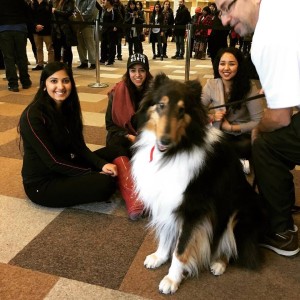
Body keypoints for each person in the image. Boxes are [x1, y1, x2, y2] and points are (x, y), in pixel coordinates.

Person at [215, 0, 300, 256]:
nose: (224, 20)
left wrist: (258, 128)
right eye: (219, 12)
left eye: (226, 7)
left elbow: (280, 118)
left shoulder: (267, 37)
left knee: (265, 145)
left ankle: (282, 232)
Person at [18, 62, 117, 209]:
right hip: (43, 183)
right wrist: (91, 172)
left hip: (67, 166)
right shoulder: (33, 116)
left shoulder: (67, 107)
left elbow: (80, 147)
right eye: (54, 81)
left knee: (116, 149)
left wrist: (101, 164)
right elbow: (53, 162)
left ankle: (125, 180)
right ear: (44, 85)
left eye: (65, 80)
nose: (61, 87)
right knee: (105, 184)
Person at [201, 47, 264, 174]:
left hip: (241, 135)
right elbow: (196, 109)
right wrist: (211, 117)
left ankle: (229, 164)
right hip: (218, 132)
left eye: (232, 64)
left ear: (239, 66)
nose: (226, 68)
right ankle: (235, 164)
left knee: (232, 148)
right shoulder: (211, 85)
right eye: (222, 63)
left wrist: (231, 128)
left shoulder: (249, 88)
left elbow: (259, 121)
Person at [105, 53, 153, 218]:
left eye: (142, 70)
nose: (137, 75)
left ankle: (152, 196)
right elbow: (110, 125)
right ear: (128, 72)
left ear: (147, 72)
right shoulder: (117, 91)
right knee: (118, 147)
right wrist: (130, 136)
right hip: (123, 138)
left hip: (147, 137)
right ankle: (134, 199)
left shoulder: (155, 92)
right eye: (133, 70)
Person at [0, 0, 32, 92]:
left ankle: (13, 84)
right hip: (20, 29)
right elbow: (28, 13)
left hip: (3, 30)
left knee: (8, 58)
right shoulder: (21, 1)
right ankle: (25, 82)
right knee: (21, 56)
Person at [51, 0, 77, 68]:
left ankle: (68, 66)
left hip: (65, 28)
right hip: (56, 28)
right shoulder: (54, 2)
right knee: (56, 49)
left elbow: (68, 13)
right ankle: (57, 67)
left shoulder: (69, 1)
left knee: (67, 49)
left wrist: (55, 11)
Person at [31, 0, 55, 71]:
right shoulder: (33, 3)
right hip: (36, 30)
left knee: (50, 48)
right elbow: (31, 17)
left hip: (47, 29)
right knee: (38, 48)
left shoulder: (48, 3)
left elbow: (50, 17)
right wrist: (36, 26)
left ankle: (50, 64)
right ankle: (40, 64)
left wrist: (42, 26)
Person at [75, 0, 98, 70]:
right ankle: (83, 61)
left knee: (90, 44)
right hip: (78, 24)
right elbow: (75, 10)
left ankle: (93, 62)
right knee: (80, 44)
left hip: (88, 24)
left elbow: (90, 12)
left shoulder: (92, 1)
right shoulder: (77, 1)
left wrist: (80, 17)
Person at [100, 0, 123, 66]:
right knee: (103, 44)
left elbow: (120, 19)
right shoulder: (105, 10)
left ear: (109, 2)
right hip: (105, 30)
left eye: (105, 0)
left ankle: (111, 60)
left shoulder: (115, 10)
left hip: (111, 31)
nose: (104, 2)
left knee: (111, 46)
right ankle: (103, 59)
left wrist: (116, 26)